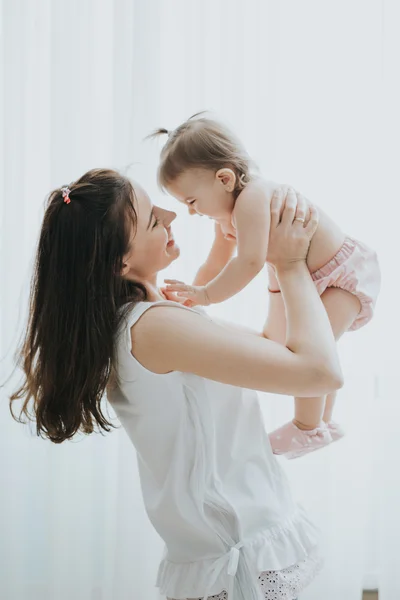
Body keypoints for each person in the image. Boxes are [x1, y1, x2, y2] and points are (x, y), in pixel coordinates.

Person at [10, 168, 343, 600]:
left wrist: (276, 266)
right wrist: (293, 265)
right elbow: (321, 373)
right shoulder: (154, 328)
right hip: (237, 558)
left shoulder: (153, 317)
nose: (172, 215)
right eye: (152, 218)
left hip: (238, 545)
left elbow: (272, 347)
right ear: (121, 263)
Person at [151, 114, 381, 459]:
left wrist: (207, 295)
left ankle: (307, 429)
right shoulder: (227, 215)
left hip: (342, 276)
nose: (191, 212)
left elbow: (250, 262)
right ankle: (324, 423)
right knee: (294, 345)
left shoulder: (252, 199)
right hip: (309, 277)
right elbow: (218, 260)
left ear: (224, 178)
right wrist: (192, 297)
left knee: (311, 355)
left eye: (192, 201)